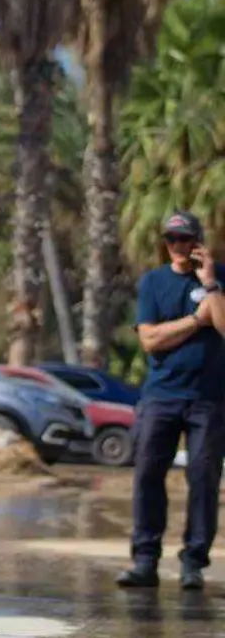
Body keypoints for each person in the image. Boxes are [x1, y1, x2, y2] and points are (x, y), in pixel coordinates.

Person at [118, 210, 225, 590]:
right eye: (171, 240)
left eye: (184, 239)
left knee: (203, 478)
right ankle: (145, 560)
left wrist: (211, 285)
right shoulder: (153, 282)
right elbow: (149, 341)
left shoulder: (220, 279)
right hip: (161, 396)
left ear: (198, 241)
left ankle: (193, 563)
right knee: (147, 473)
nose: (177, 247)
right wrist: (196, 321)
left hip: (209, 399)